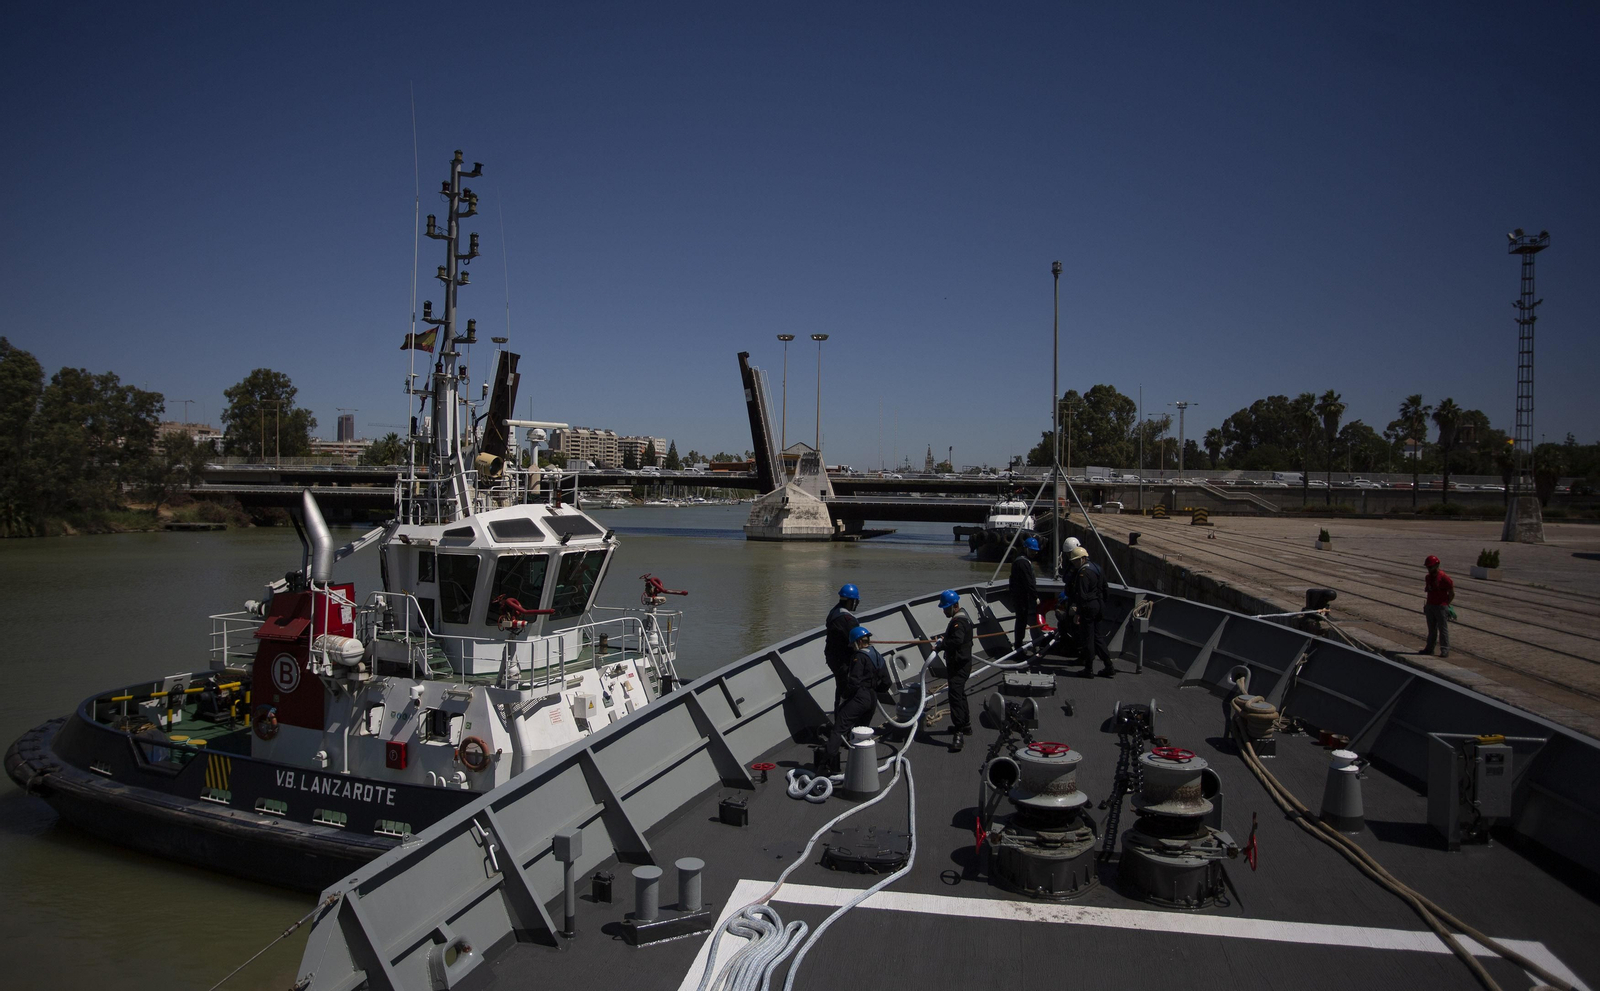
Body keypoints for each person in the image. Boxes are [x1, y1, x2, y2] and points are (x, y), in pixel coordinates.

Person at [824, 626, 890, 772]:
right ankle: (861, 766)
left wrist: (844, 697)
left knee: (839, 728)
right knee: (862, 732)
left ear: (858, 642)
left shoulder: (858, 657)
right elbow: (887, 682)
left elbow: (853, 682)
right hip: (872, 699)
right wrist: (874, 691)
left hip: (861, 696)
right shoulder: (878, 655)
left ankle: (827, 765)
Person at [1063, 545, 1114, 677]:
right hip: (1098, 605)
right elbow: (1105, 588)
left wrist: (1078, 613)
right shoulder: (1097, 568)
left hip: (1088, 608)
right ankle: (1108, 665)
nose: (1073, 563)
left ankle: (1088, 669)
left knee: (1088, 638)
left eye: (1075, 561)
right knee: (1098, 637)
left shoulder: (1083, 573)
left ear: (1082, 559)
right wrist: (1102, 604)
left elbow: (1082, 595)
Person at [935, 589, 974, 753]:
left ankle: (959, 733)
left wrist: (941, 645)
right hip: (960, 664)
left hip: (959, 665)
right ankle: (966, 725)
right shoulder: (961, 618)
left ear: (955, 606)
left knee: (955, 696)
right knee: (960, 693)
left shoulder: (959, 622)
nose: (944, 611)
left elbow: (957, 640)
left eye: (946, 608)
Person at [824, 584, 860, 715]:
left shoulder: (834, 612)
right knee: (846, 689)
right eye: (855, 601)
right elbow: (857, 643)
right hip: (843, 661)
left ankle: (840, 713)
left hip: (832, 657)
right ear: (851, 601)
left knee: (840, 686)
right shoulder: (848, 620)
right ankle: (843, 719)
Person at [1009, 537, 1040, 654]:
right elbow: (1028, 582)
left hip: (1021, 597)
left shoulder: (1022, 561)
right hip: (1021, 598)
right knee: (1021, 622)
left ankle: (1019, 644)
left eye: (1035, 551)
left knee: (1022, 621)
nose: (1034, 553)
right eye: (1032, 551)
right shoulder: (1022, 563)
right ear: (1026, 549)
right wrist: (1035, 596)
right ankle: (1018, 646)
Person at [1422, 555, 1454, 658]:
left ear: (1437, 565)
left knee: (1443, 629)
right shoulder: (1428, 577)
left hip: (1441, 607)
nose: (1429, 569)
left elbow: (1452, 593)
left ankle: (1444, 649)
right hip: (1430, 606)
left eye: (1431, 567)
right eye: (1428, 567)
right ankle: (1429, 648)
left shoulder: (1444, 578)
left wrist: (1446, 604)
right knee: (1432, 629)